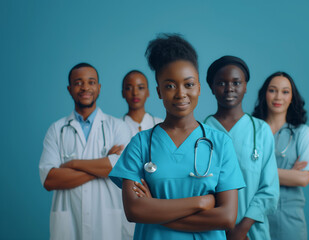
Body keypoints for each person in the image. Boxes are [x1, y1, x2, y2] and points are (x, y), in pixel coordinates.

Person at [109, 34, 245, 240]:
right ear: (159, 91)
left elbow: (227, 217)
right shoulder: (141, 144)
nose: (180, 93)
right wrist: (201, 203)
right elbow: (134, 211)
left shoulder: (220, 143)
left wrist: (154, 210)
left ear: (199, 87)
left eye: (189, 84)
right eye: (170, 86)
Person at [39, 63, 132, 240]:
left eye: (91, 82)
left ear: (99, 87)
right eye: (78, 82)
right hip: (68, 228)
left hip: (107, 226)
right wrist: (104, 163)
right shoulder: (56, 129)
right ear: (69, 88)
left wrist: (73, 164)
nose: (85, 88)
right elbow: (49, 179)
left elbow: (119, 168)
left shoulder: (118, 127)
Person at [204, 56, 279, 240]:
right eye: (221, 83)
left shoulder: (261, 131)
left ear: (245, 86)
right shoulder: (201, 133)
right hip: (212, 230)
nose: (229, 88)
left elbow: (269, 189)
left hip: (252, 233)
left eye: (236, 82)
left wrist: (241, 229)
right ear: (212, 88)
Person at [252, 71, 309, 240]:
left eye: (285, 91)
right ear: (264, 94)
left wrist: (259, 170)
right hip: (253, 215)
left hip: (290, 217)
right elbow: (241, 174)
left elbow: (303, 179)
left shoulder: (302, 133)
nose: (278, 97)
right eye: (272, 90)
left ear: (292, 97)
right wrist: (289, 173)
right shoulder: (251, 130)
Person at [122, 70, 163, 137]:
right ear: (123, 93)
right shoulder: (116, 127)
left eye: (140, 88)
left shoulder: (160, 125)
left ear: (148, 92)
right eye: (128, 88)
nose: (135, 93)